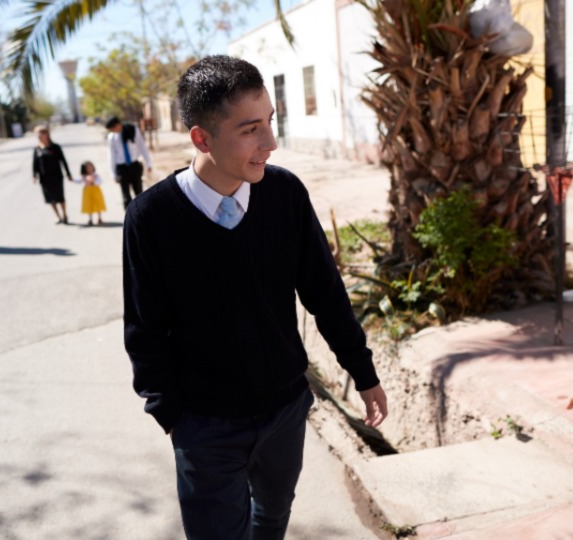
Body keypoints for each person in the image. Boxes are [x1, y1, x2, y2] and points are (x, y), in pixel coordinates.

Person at [122, 55, 388, 540]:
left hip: (285, 411)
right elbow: (145, 327)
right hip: (204, 426)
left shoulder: (284, 194)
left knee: (271, 518)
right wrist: (173, 419)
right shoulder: (151, 217)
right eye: (250, 129)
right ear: (201, 138)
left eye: (271, 122)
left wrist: (362, 370)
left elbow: (324, 293)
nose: (270, 142)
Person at [106, 116, 152, 209]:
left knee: (139, 193)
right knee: (126, 196)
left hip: (135, 166)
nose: (113, 131)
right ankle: (129, 219)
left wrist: (148, 163)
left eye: (113, 129)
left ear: (118, 125)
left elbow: (142, 147)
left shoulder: (133, 130)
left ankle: (142, 216)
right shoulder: (112, 137)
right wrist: (113, 174)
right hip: (122, 168)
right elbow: (111, 156)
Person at [31, 125, 72, 224]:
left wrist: (68, 173)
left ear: (47, 134)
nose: (39, 136)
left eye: (41, 133)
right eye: (38, 134)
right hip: (44, 178)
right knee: (50, 198)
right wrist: (34, 175)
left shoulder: (55, 147)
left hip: (57, 176)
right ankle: (57, 216)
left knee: (60, 197)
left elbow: (63, 161)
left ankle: (64, 214)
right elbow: (35, 163)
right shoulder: (37, 149)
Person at [77, 160, 106, 226]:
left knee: (97, 204)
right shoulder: (84, 176)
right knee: (89, 205)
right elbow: (79, 181)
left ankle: (99, 218)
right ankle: (90, 219)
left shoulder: (96, 175)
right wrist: (72, 179)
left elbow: (100, 181)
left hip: (96, 191)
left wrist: (93, 182)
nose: (89, 169)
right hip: (87, 192)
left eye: (90, 167)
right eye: (87, 168)